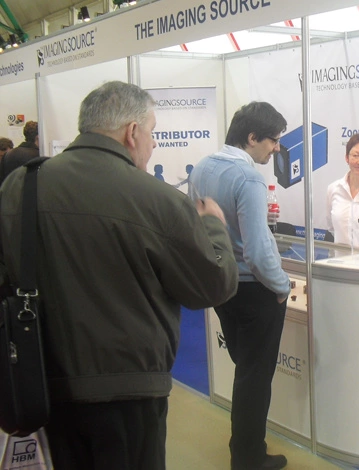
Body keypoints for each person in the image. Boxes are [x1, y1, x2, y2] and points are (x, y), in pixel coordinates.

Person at [0, 81, 239, 470]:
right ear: (132, 132)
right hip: (131, 391)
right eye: (152, 132)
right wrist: (212, 225)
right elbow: (213, 286)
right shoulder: (159, 200)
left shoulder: (20, 185)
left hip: (41, 380)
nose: (154, 143)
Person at [190, 101, 291, 470]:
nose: (276, 148)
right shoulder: (248, 178)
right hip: (254, 290)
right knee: (254, 377)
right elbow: (259, 252)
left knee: (245, 369)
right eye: (273, 140)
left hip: (221, 284)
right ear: (252, 138)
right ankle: (248, 458)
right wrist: (282, 286)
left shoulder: (203, 167)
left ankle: (244, 450)